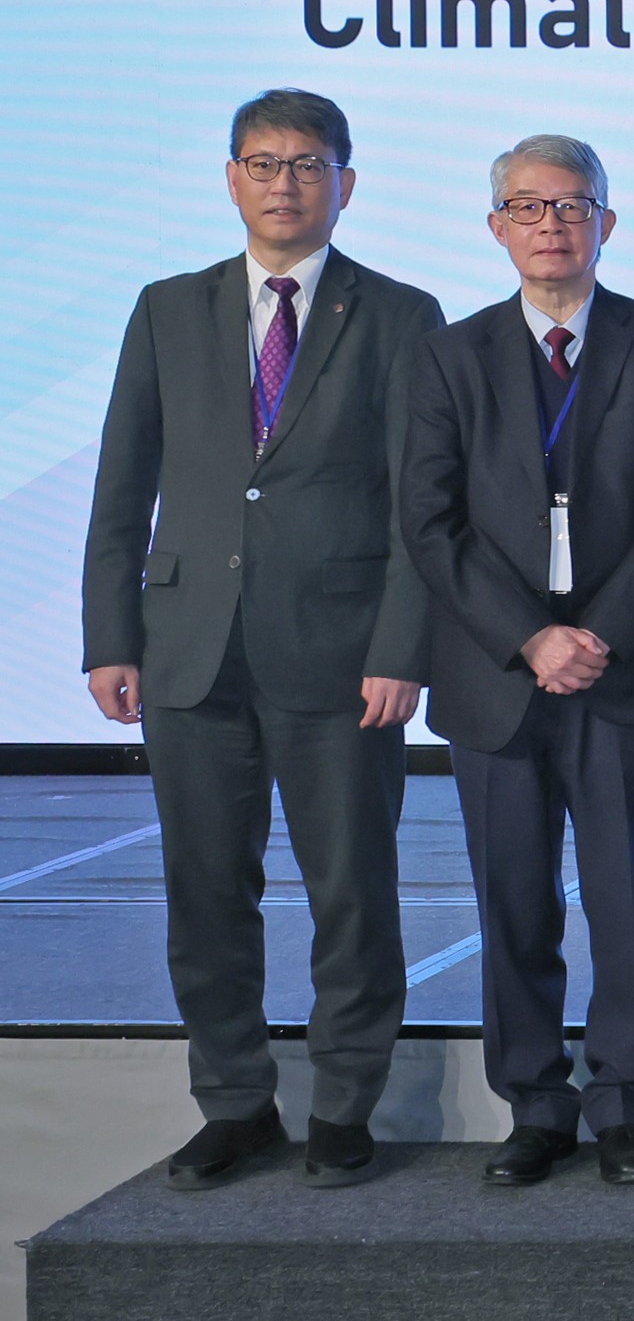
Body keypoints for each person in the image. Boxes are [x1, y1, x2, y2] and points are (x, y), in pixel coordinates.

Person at [83, 90, 444, 1190]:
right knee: (204, 896)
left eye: (307, 163)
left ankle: (342, 1108)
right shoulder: (166, 308)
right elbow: (122, 485)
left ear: (347, 180)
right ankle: (235, 1103)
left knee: (352, 894)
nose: (284, 182)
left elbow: (414, 508)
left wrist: (401, 648)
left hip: (341, 659)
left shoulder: (399, 314)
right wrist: (111, 635)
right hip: (189, 648)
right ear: (230, 177)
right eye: (263, 162)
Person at [399, 134, 634, 1188]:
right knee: (514, 904)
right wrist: (529, 637)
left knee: (628, 905)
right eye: (528, 208)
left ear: (606, 224)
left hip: (620, 674)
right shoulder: (451, 353)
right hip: (497, 677)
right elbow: (428, 521)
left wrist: (600, 632)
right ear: (496, 229)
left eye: (573, 207)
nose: (551, 225)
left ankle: (625, 1106)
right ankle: (535, 1104)